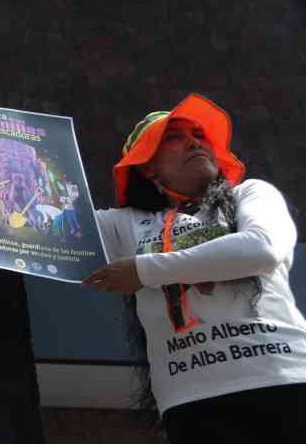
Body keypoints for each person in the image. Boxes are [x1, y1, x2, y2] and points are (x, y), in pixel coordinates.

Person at [83, 93, 306, 441]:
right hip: (191, 403)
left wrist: (144, 271)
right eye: (173, 137)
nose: (192, 141)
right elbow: (27, 221)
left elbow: (262, 249)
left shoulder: (248, 194)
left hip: (285, 380)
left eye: (199, 135)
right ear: (147, 166)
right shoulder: (122, 225)